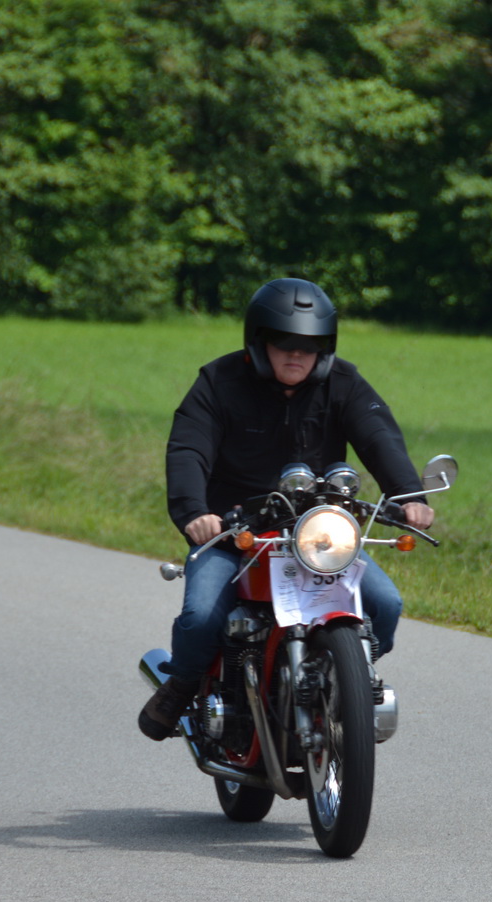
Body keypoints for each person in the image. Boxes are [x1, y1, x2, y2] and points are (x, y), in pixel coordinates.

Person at [139, 277, 434, 741]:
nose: (296, 355)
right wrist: (194, 510)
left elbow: (379, 437)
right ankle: (183, 685)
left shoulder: (344, 383)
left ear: (325, 347)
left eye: (310, 346)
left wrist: (408, 494)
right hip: (235, 533)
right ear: (259, 342)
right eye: (284, 344)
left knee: (385, 603)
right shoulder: (219, 382)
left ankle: (346, 680)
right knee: (202, 617)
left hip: (316, 535)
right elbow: (188, 449)